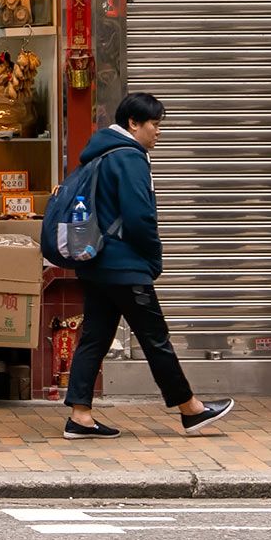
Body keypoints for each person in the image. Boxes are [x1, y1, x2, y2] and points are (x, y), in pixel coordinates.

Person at [60, 93, 234, 440]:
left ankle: (80, 415)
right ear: (133, 124)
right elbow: (141, 217)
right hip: (125, 267)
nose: (158, 132)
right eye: (154, 124)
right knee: (155, 338)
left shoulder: (100, 154)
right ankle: (190, 409)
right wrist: (154, 258)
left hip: (97, 264)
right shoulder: (130, 158)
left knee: (94, 337)